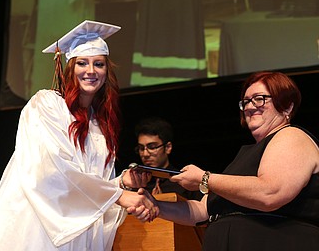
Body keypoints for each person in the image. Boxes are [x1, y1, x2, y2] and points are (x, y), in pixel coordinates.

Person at [0, 20, 158, 251]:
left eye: (99, 64)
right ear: (69, 68)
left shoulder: (98, 125)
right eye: (82, 63)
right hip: (39, 226)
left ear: (107, 71)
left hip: (78, 232)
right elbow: (51, 172)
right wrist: (118, 195)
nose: (91, 71)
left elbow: (88, 190)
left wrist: (121, 182)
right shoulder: (46, 105)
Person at [129, 72, 319, 250]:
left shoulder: (291, 136)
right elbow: (201, 210)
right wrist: (154, 204)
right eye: (246, 101)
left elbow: (271, 192)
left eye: (260, 99)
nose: (250, 106)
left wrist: (204, 178)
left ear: (287, 106)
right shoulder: (245, 156)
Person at [132, 116, 202, 200]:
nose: (145, 154)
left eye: (152, 147)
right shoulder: (134, 185)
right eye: (141, 148)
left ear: (168, 147)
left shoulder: (184, 182)